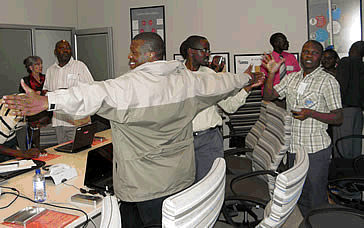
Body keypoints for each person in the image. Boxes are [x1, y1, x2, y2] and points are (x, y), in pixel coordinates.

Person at [3, 32, 256, 227]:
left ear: (148, 55)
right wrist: (247, 78)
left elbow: (89, 94)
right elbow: (224, 81)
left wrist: (47, 101)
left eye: (133, 52)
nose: (129, 57)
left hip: (142, 188)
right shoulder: (190, 82)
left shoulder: (128, 88)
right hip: (180, 180)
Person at [262, 40, 343, 217]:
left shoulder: (328, 82)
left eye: (314, 53)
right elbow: (268, 95)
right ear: (300, 54)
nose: (309, 56)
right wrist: (271, 73)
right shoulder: (292, 78)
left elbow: (338, 117)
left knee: (316, 198)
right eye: (305, 52)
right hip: (293, 149)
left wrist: (311, 113)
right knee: (298, 195)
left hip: (315, 150)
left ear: (321, 57)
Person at [179, 35, 264, 182]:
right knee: (184, 185)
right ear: (190, 51)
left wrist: (248, 88)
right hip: (182, 140)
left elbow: (229, 107)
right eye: (204, 50)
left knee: (208, 184)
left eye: (208, 50)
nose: (208, 54)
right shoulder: (175, 75)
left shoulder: (211, 75)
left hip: (209, 140)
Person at [43, 40, 94, 144]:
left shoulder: (80, 66)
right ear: (55, 52)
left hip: (77, 121)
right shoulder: (50, 70)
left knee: (80, 152)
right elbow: (46, 90)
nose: (65, 50)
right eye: (62, 48)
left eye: (68, 48)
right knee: (63, 153)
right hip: (59, 121)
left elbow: (91, 89)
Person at [332, 41, 364, 158]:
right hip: (358, 110)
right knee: (355, 142)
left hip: (344, 109)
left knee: (342, 144)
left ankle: (342, 171)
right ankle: (355, 170)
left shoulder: (345, 62)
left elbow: (341, 85)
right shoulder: (361, 65)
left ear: (353, 50)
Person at [261, 32, 301, 109]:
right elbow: (264, 82)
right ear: (276, 43)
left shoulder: (291, 57)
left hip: (291, 97)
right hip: (274, 99)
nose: (287, 42)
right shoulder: (268, 59)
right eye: (284, 40)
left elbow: (298, 76)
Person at [20, 56, 52, 149]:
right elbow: (24, 97)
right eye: (37, 64)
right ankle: (35, 149)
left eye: (41, 64)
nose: (41, 66)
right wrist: (38, 94)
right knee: (34, 123)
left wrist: (40, 94)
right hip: (33, 112)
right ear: (31, 67)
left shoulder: (46, 78)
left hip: (47, 111)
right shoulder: (25, 81)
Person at [0, 98, 45, 162]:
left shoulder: (31, 109)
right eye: (40, 123)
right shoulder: (10, 116)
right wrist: (23, 154)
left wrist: (36, 148)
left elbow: (34, 129)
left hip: (7, 139)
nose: (39, 126)